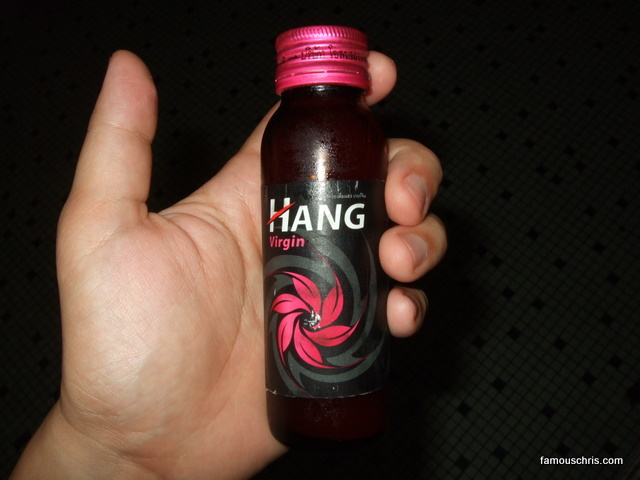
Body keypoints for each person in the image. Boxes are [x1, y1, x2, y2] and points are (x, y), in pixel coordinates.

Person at [11, 50, 447, 479]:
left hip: (336, 365)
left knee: (396, 261)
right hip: (280, 369)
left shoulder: (351, 126)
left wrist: (104, 452)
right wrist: (103, 446)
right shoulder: (291, 128)